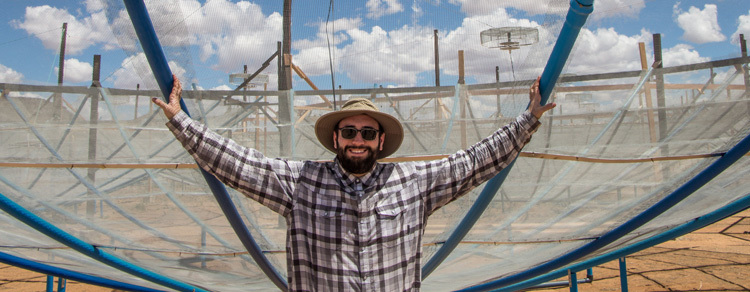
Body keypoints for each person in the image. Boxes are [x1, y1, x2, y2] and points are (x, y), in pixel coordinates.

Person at [153, 75, 555, 292]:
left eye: (367, 132)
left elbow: (473, 163)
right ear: (335, 139)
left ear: (382, 140)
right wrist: (180, 122)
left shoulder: (412, 182)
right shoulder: (302, 183)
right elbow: (240, 165)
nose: (358, 140)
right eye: (349, 131)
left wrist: (528, 120)